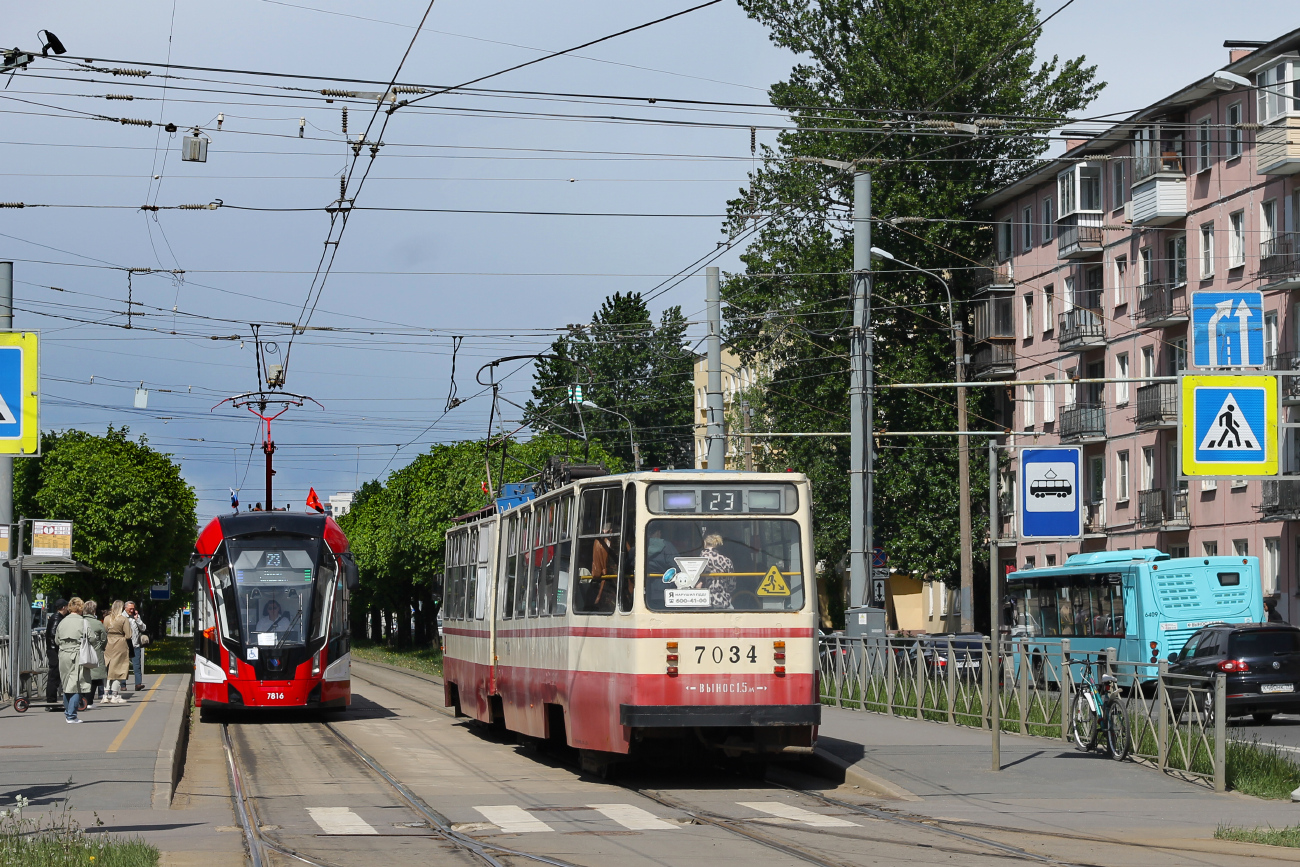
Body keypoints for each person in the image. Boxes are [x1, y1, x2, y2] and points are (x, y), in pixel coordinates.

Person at [55, 597, 91, 723]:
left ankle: (68, 713)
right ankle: (71, 715)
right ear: (81, 608)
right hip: (77, 654)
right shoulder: (83, 622)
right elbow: (92, 637)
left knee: (66, 685)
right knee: (76, 685)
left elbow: (57, 640)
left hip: (63, 654)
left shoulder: (62, 622)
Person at [697, 533, 736, 609]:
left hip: (704, 602)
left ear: (705, 543)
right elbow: (732, 585)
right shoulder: (727, 561)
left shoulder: (697, 561)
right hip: (723, 602)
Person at [81, 601, 108, 709]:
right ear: (94, 610)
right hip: (95, 652)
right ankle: (89, 701)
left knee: (82, 676)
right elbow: (104, 638)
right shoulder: (97, 623)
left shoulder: (80, 621)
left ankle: (82, 699)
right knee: (94, 677)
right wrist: (100, 646)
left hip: (81, 651)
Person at [104, 600, 131, 704]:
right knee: (119, 669)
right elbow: (128, 635)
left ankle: (105, 695)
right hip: (120, 643)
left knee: (108, 669)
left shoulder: (107, 618)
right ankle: (115, 695)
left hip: (108, 643)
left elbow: (104, 631)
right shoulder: (123, 619)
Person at [44, 598, 68, 710]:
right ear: (63, 607)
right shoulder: (57, 618)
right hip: (54, 651)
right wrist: (60, 644)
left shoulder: (57, 617)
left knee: (55, 675)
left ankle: (52, 701)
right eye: (66, 606)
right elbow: (53, 634)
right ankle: (51, 702)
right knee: (54, 675)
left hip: (53, 649)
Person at [125, 601, 146, 691]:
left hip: (135, 644)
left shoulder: (136, 617)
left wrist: (137, 619)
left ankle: (138, 684)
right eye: (130, 609)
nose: (132, 610)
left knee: (137, 665)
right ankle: (123, 684)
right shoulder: (122, 617)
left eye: (133, 609)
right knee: (124, 665)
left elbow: (143, 628)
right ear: (125, 608)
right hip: (125, 645)